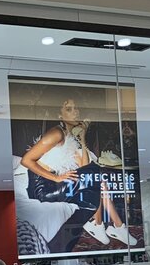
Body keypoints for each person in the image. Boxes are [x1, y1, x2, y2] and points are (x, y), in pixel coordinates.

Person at [20, 97, 137, 248]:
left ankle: (108, 225)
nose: (75, 112)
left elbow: (85, 166)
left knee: (95, 176)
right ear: (60, 115)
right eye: (69, 109)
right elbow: (26, 160)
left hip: (55, 185)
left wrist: (82, 138)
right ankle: (110, 226)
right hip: (42, 189)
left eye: (76, 108)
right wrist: (56, 178)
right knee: (95, 177)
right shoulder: (56, 133)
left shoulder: (69, 137)